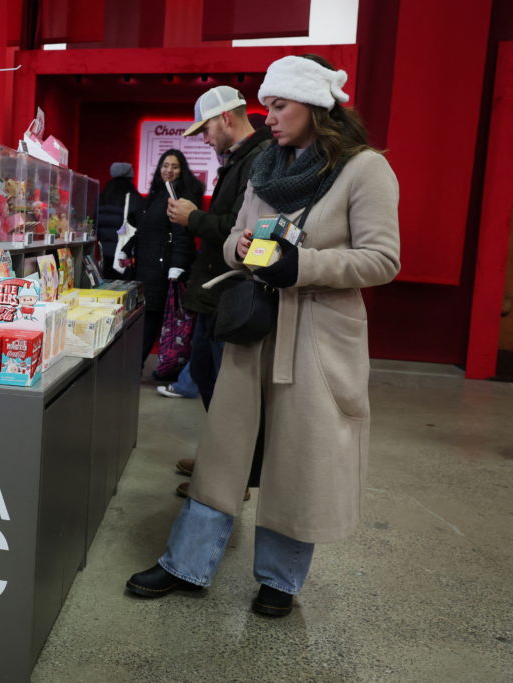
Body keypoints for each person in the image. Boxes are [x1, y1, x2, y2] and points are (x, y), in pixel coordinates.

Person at [126, 54, 401, 617]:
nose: (268, 117)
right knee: (225, 451)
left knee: (298, 459)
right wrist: (244, 248)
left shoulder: (364, 169)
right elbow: (232, 240)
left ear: (315, 105)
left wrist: (301, 266)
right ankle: (187, 563)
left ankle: (280, 580)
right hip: (252, 327)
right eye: (267, 106)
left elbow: (382, 260)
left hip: (318, 338)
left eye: (279, 106)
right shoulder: (266, 168)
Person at [159, 86, 273, 404]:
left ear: (224, 118)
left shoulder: (258, 160)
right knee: (206, 373)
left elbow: (239, 230)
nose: (205, 140)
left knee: (227, 386)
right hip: (216, 293)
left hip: (234, 292)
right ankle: (218, 452)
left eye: (206, 130)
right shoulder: (240, 159)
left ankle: (229, 454)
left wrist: (193, 218)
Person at [125, 149, 203, 370]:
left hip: (164, 269)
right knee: (146, 317)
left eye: (174, 166)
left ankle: (136, 365)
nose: (169, 170)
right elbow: (142, 229)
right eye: (165, 165)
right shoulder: (157, 193)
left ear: (182, 170)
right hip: (147, 266)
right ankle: (135, 364)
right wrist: (128, 249)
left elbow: (182, 234)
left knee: (152, 319)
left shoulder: (181, 196)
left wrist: (177, 265)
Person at [96, 162, 142, 280]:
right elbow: (140, 225)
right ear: (130, 177)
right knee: (124, 289)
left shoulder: (102, 196)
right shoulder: (133, 197)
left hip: (102, 254)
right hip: (123, 254)